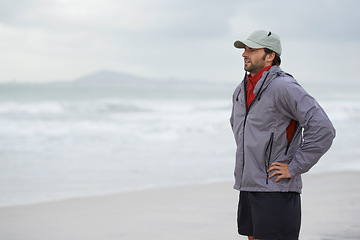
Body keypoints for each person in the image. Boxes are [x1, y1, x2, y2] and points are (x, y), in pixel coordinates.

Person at [230, 30, 336, 240]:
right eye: (244, 49)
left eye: (252, 50)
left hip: (276, 189)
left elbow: (323, 129)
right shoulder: (241, 90)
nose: (244, 54)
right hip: (250, 186)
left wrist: (295, 166)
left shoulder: (284, 87)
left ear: (270, 56)